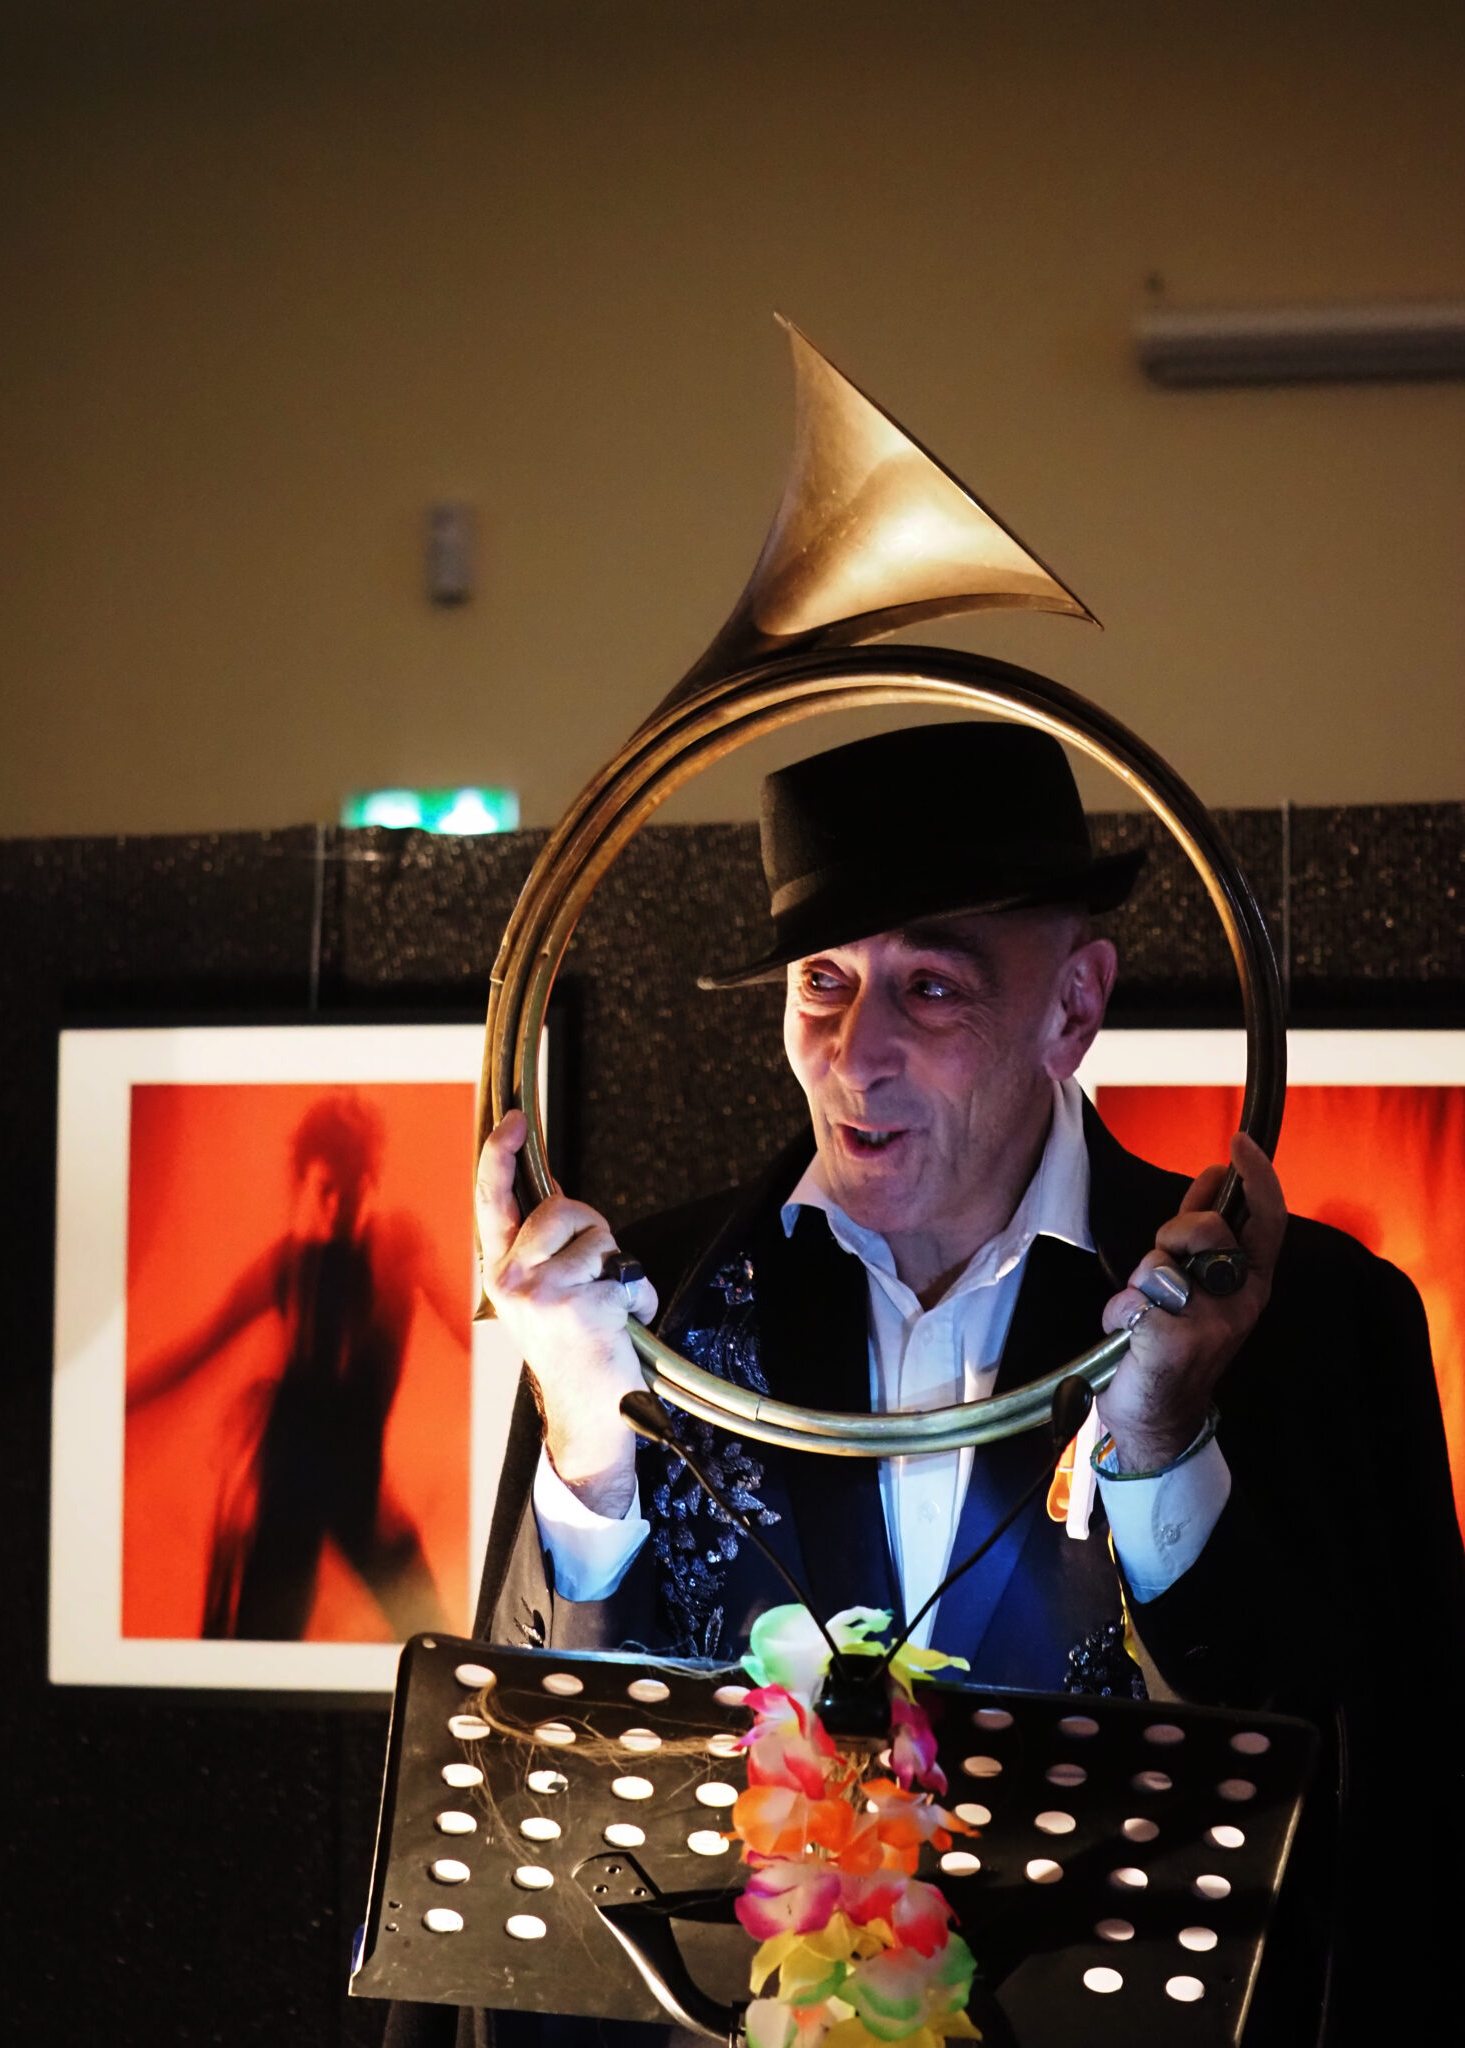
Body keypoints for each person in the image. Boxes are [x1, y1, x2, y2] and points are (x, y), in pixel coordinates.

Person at [400, 724, 1463, 2046]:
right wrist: (584, 1436)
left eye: (933, 988)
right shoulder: (641, 1312)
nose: (857, 1054)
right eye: (824, 982)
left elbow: (1371, 1805)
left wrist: (1166, 1442)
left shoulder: (1307, 1322)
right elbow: (526, 1789)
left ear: (1074, 1006)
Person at [128, 1091, 471, 1640]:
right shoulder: (287, 1264)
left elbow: (465, 1325)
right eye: (325, 1189)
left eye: (351, 1187)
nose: (337, 1205)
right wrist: (117, 1402)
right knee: (260, 1644)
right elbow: (197, 1349)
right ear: (306, 1184)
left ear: (371, 1179)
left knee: (431, 1636)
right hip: (288, 1486)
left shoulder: (398, 1246)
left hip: (356, 1487)